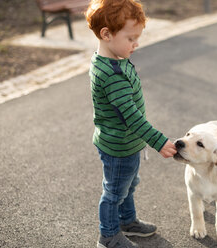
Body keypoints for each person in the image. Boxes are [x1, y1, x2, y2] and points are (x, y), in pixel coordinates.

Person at [85, 0, 177, 247]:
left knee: (128, 184)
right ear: (107, 34)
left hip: (126, 142)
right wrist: (159, 141)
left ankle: (127, 221)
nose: (136, 44)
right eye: (130, 38)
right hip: (119, 147)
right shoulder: (111, 75)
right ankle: (109, 235)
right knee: (114, 192)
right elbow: (132, 117)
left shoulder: (115, 58)